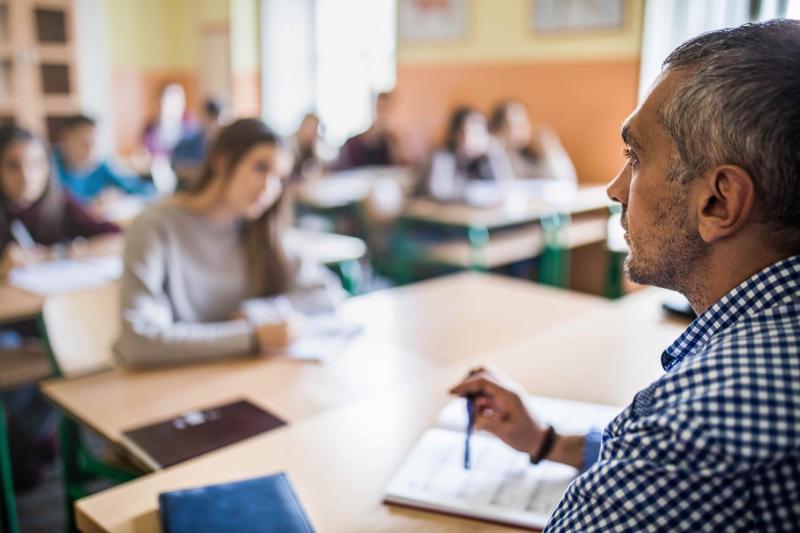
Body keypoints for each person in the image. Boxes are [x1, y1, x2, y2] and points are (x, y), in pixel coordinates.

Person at [451, 19, 800, 531]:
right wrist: (547, 441)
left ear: (719, 200)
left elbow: (674, 457)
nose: (615, 189)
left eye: (635, 158)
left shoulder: (695, 424)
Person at [115, 118, 344, 367]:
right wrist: (252, 335)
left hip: (241, 376)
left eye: (279, 178)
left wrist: (256, 313)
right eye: (260, 168)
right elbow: (138, 341)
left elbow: (327, 295)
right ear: (221, 161)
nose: (268, 188)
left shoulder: (262, 227)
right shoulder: (153, 228)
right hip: (172, 383)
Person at [0, 126, 120, 278]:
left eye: (35, 164)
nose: (26, 176)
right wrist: (3, 267)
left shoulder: (59, 200)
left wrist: (59, 253)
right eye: (13, 166)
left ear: (48, 167)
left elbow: (117, 239)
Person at [417, 106, 513, 205]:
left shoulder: (483, 159)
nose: (478, 137)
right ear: (456, 134)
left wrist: (495, 151)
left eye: (482, 131)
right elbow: (439, 193)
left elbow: (504, 187)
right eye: (473, 131)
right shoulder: (443, 157)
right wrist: (470, 193)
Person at [54, 114, 155, 204]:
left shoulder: (100, 166)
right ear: (65, 140)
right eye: (84, 144)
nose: (90, 150)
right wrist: (92, 202)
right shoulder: (50, 167)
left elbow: (138, 188)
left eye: (93, 143)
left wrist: (119, 195)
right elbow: (57, 204)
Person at [489, 100, 577, 183]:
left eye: (523, 124)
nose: (521, 131)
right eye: (514, 126)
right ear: (497, 129)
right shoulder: (492, 152)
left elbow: (566, 181)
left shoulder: (534, 149)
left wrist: (551, 154)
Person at [333, 91, 404, 169]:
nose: (383, 113)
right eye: (380, 108)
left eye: (387, 109)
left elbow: (398, 168)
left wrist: (392, 144)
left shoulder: (392, 142)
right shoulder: (352, 144)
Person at [171, 98, 226, 186]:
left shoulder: (223, 145)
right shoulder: (187, 142)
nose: (212, 124)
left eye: (214, 118)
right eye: (208, 117)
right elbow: (175, 165)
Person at [285, 113, 335, 183]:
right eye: (308, 127)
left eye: (314, 129)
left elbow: (323, 167)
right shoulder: (288, 146)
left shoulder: (314, 148)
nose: (309, 132)